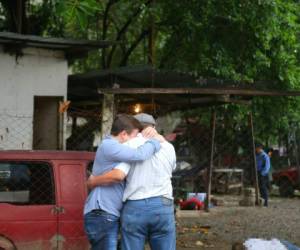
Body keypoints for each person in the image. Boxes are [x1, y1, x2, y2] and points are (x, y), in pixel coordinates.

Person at [88, 113, 176, 250]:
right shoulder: (168, 147)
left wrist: (92, 181)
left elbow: (119, 174)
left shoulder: (130, 144)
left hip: (136, 205)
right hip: (163, 205)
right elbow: (172, 169)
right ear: (154, 127)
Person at [255, 143, 270, 207]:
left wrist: (262, 173)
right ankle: (261, 201)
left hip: (263, 174)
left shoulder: (264, 156)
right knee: (260, 188)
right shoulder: (257, 155)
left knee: (263, 188)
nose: (256, 150)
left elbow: (267, 166)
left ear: (260, 148)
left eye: (257, 148)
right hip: (258, 172)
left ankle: (265, 203)